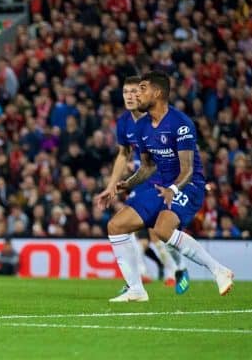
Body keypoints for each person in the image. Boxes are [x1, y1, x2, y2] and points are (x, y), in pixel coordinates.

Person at [98, 71, 233, 302]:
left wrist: (174, 189)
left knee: (162, 229)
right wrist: (126, 184)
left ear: (157, 93)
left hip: (189, 186)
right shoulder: (142, 128)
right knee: (116, 225)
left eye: (142, 89)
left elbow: (188, 170)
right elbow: (148, 167)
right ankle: (136, 289)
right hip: (160, 185)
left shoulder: (180, 124)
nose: (137, 94)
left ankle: (219, 270)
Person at [96, 76, 190, 294]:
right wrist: (112, 185)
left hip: (164, 181)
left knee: (160, 232)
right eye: (125, 92)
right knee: (125, 227)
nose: (130, 96)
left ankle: (176, 268)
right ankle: (137, 279)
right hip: (141, 181)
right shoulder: (124, 123)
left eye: (133, 92)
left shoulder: (161, 118)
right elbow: (123, 154)